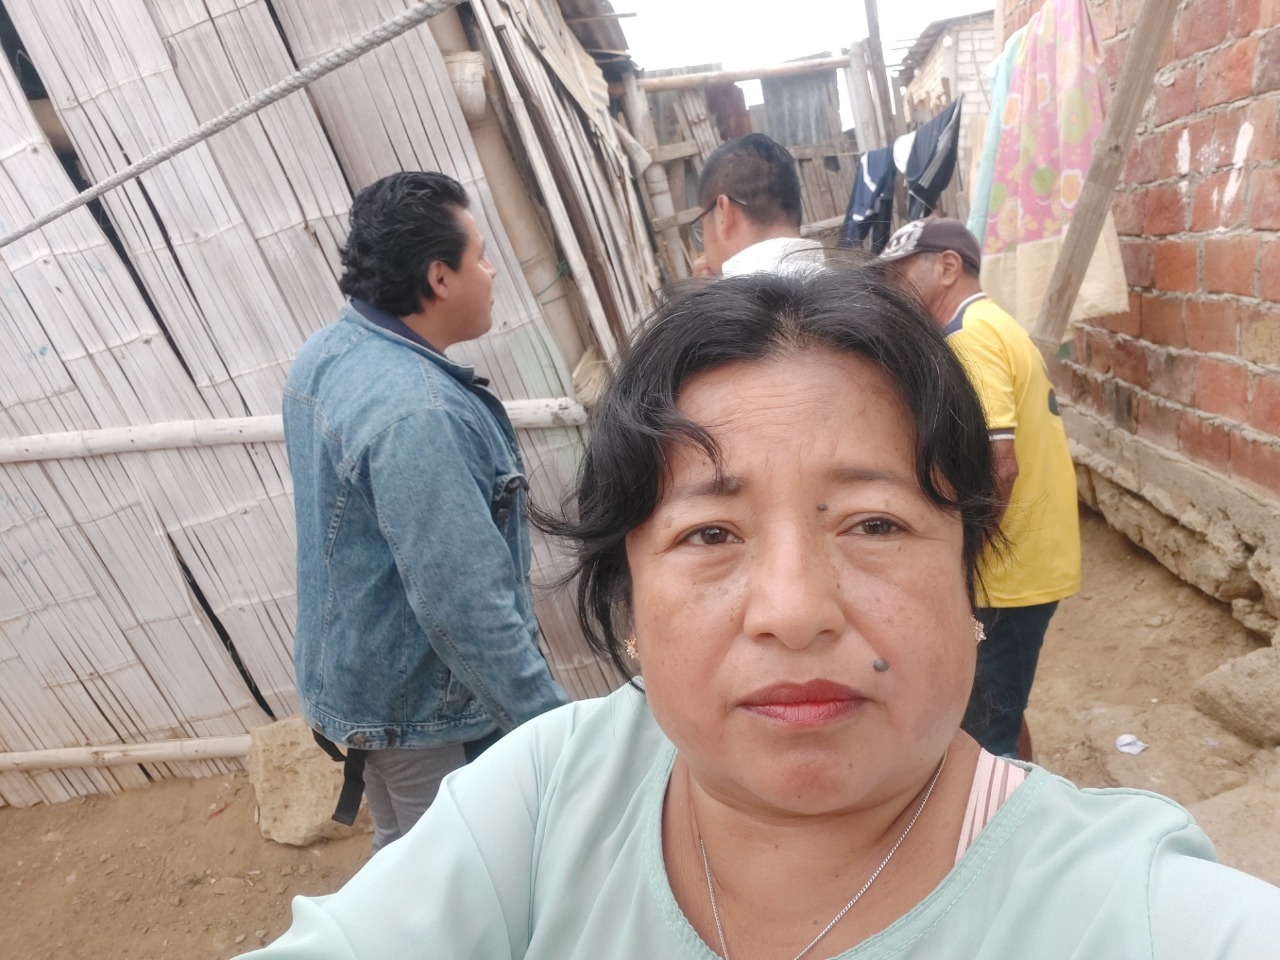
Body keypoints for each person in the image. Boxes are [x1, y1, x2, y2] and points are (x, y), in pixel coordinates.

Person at [247, 270, 1279, 959]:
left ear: (967, 573)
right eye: (710, 533)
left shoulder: (1125, 910)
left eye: (873, 523)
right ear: (629, 599)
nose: (793, 613)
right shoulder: (548, 794)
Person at [282, 171, 568, 852]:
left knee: (403, 852)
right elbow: (465, 602)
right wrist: (551, 728)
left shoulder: (330, 350)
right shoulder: (420, 413)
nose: (492, 273)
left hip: (362, 683)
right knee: (455, 875)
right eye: (481, 258)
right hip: (422, 712)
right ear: (440, 278)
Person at [878, 217, 1081, 760]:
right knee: (998, 700)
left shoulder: (969, 338)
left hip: (1007, 574)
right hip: (1028, 560)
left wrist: (966, 554)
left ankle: (1006, 811)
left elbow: (1000, 464)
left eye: (901, 274)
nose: (892, 289)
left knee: (986, 730)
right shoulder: (996, 324)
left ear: (948, 266)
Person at [691, 133, 825, 277]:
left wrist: (710, 291)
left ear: (723, 214)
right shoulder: (839, 284)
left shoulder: (729, 290)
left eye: (702, 226)